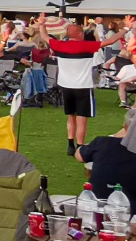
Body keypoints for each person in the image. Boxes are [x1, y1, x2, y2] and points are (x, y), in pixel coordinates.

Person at [37, 15, 102, 159]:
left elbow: (44, 36)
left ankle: (70, 144)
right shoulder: (87, 46)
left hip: (66, 86)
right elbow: (110, 41)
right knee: (82, 118)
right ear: (80, 34)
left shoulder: (60, 45)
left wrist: (42, 24)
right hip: (83, 87)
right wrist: (126, 29)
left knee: (70, 117)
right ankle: (80, 146)